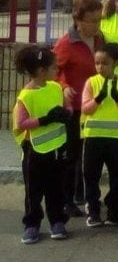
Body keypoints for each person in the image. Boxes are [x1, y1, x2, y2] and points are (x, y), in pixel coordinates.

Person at [13, 45, 71, 244]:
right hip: (34, 151)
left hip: (56, 148)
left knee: (56, 188)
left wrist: (67, 112)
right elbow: (20, 124)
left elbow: (66, 106)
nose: (57, 71)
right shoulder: (26, 96)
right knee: (34, 191)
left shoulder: (55, 87)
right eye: (54, 68)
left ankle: (57, 221)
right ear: (41, 71)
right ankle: (32, 224)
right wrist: (44, 120)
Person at [52, 0, 103, 218]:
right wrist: (63, 87)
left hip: (93, 105)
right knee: (71, 154)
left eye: (99, 20)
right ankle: (66, 200)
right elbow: (53, 71)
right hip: (73, 107)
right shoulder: (66, 43)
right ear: (78, 20)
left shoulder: (100, 39)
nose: (96, 25)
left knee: (88, 153)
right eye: (92, 20)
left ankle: (83, 193)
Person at [79, 42, 118, 227]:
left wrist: (117, 97)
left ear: (116, 62)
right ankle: (93, 211)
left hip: (116, 138)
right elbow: (85, 108)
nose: (100, 67)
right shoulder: (91, 82)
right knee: (90, 175)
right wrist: (98, 99)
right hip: (93, 137)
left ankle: (115, 210)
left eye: (105, 63)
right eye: (97, 63)